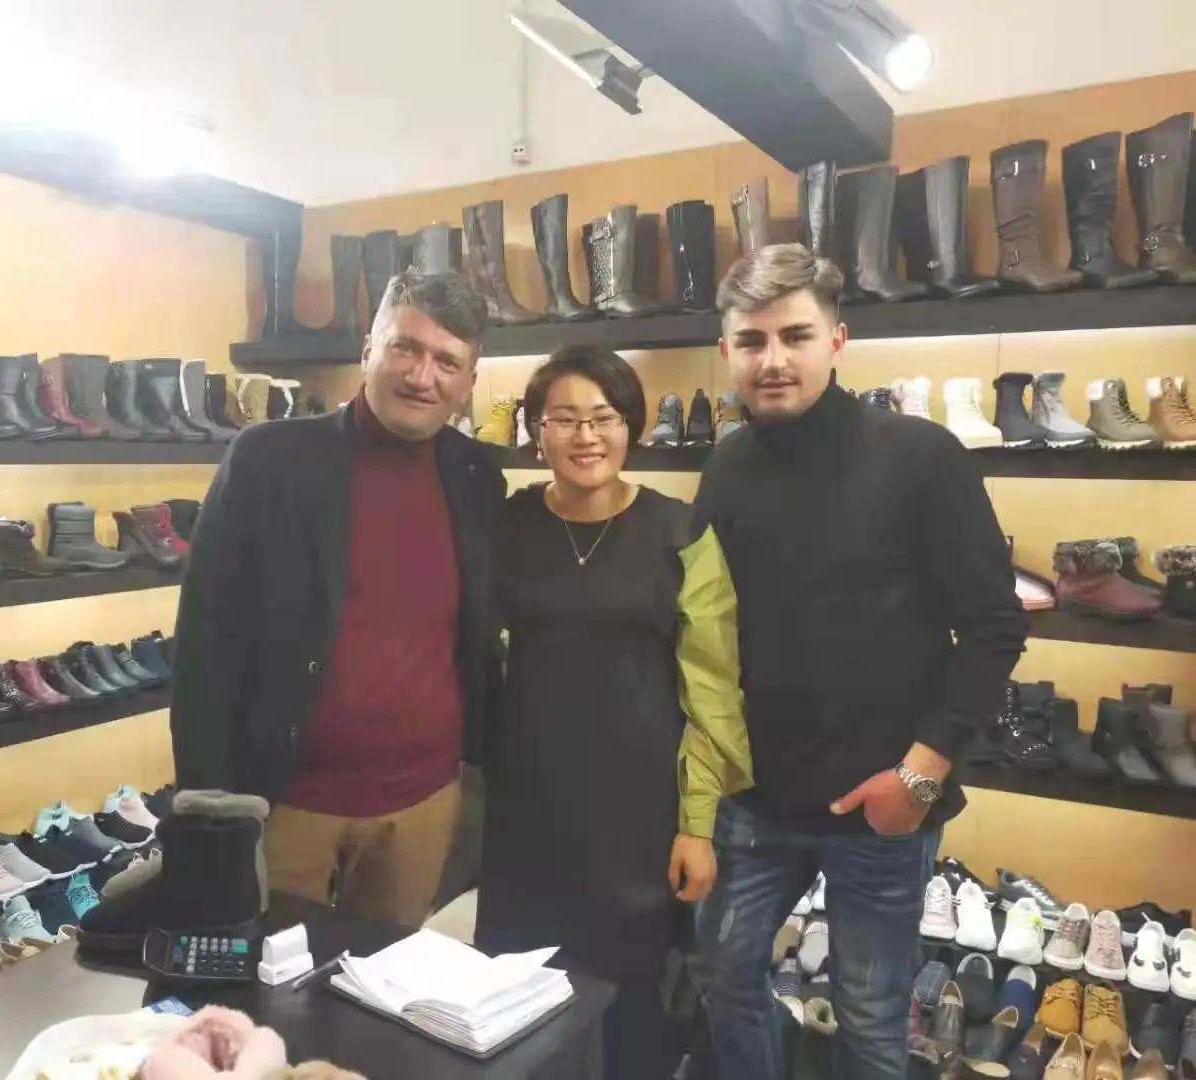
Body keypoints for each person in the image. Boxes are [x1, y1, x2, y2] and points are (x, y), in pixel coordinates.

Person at [691, 245, 1028, 1080]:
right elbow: (708, 630)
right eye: (752, 340)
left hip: (883, 802)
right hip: (754, 799)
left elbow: (993, 626)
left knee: (873, 1018)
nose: (773, 360)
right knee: (724, 978)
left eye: (795, 336)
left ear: (837, 340)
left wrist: (920, 774)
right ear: (726, 350)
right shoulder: (727, 465)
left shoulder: (922, 456)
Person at [169, 269, 506, 928]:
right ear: (368, 349)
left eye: (447, 362)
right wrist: (211, 803)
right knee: (267, 979)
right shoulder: (269, 461)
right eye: (406, 348)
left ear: (469, 382)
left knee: (384, 984)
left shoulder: (477, 476)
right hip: (287, 803)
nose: (422, 376)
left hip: (422, 806)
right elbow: (205, 637)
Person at [474, 345, 751, 1080]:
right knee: (518, 1004)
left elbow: (714, 690)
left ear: (630, 425)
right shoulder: (507, 525)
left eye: (603, 417)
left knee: (631, 1011)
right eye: (564, 419)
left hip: (639, 814)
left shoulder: (681, 532)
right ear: (537, 431)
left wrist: (698, 825)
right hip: (528, 807)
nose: (585, 436)